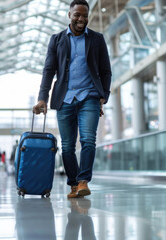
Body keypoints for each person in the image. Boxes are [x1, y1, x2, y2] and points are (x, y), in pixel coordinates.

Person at [32, 0, 112, 199]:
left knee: (88, 140)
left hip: (90, 97)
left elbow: (105, 71)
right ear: (69, 15)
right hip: (65, 99)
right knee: (67, 146)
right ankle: (74, 183)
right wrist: (42, 98)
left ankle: (83, 181)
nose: (81, 19)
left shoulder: (97, 39)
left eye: (85, 15)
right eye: (77, 15)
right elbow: (49, 70)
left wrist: (103, 96)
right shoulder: (57, 40)